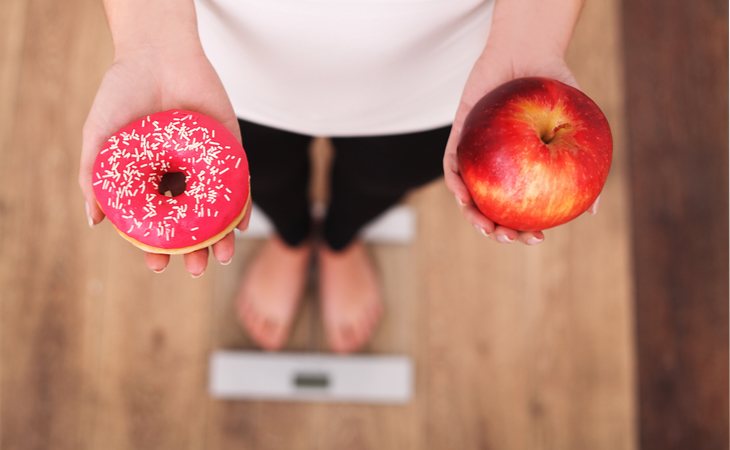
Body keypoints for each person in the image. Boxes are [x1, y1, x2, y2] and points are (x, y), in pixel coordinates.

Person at [79, 0, 597, 354]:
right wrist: (148, 41)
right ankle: (291, 236)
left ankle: (341, 240)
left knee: (382, 177)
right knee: (262, 177)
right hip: (208, 59)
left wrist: (531, 38)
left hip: (449, 68)